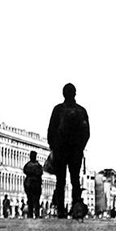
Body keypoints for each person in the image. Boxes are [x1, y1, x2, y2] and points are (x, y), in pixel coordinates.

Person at [47, 83, 90, 219]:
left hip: (60, 150)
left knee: (61, 180)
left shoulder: (58, 110)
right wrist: (80, 147)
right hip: (75, 151)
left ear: (63, 94)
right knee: (75, 180)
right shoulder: (81, 111)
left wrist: (53, 146)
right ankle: (76, 208)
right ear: (75, 93)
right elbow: (87, 132)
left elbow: (51, 130)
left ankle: (61, 210)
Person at [23, 150, 43, 219]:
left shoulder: (28, 165)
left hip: (30, 184)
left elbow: (25, 171)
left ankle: (31, 214)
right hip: (36, 184)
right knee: (36, 200)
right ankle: (36, 214)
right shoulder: (38, 165)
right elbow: (40, 172)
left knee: (30, 200)